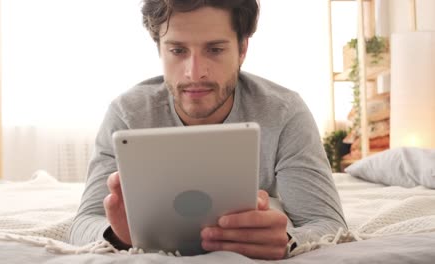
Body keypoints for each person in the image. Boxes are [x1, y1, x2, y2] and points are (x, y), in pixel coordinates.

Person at [69, 0, 347, 260]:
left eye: (215, 49)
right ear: (160, 50)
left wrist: (286, 240)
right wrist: (118, 236)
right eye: (177, 51)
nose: (194, 72)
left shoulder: (285, 112)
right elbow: (83, 223)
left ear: (242, 50)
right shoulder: (126, 114)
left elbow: (328, 223)